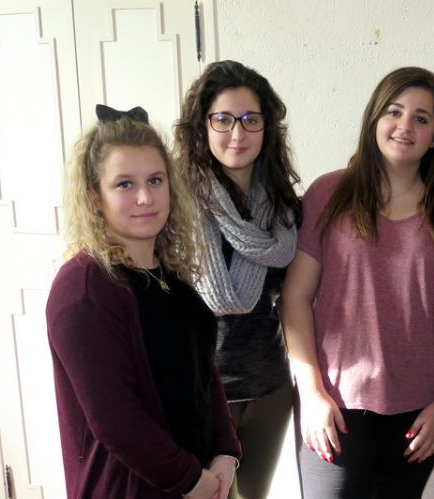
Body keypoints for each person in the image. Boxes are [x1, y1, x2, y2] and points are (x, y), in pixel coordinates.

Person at [281, 67, 434, 499]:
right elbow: (295, 297)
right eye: (394, 111)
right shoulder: (330, 194)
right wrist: (310, 391)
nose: (405, 126)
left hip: (418, 413)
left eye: (421, 118)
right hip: (334, 406)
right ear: (374, 119)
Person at [46, 105, 241, 499]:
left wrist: (225, 451)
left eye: (155, 180)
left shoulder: (170, 278)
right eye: (124, 184)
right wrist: (190, 480)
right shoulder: (82, 289)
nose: (145, 197)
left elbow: (204, 375)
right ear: (95, 196)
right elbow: (116, 420)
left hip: (196, 479)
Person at [174, 60, 301, 499]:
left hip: (269, 389)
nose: (237, 133)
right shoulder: (175, 205)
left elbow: (295, 297)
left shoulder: (284, 208)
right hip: (199, 393)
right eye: (223, 119)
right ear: (202, 126)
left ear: (267, 127)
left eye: (250, 119)